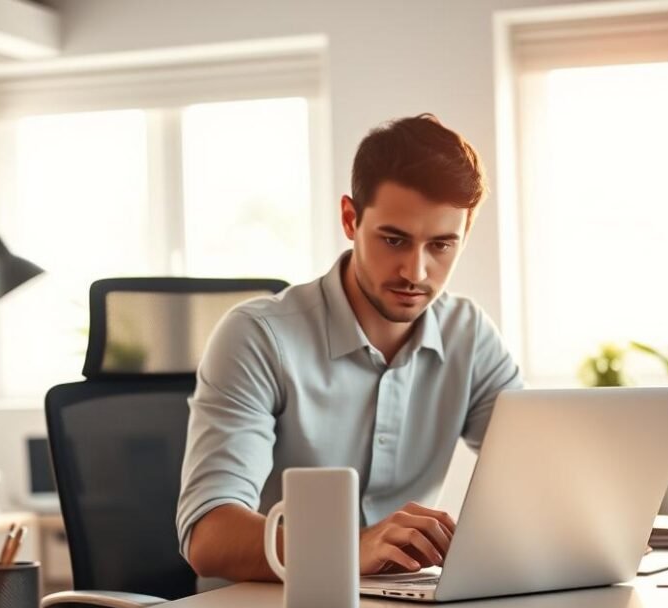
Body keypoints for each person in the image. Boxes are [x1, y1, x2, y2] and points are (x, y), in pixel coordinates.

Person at [176, 114, 523, 582]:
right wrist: (347, 549)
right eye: (394, 239)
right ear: (350, 218)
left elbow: (538, 477)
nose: (415, 272)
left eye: (441, 245)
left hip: (401, 607)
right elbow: (209, 535)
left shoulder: (471, 335)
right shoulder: (257, 337)